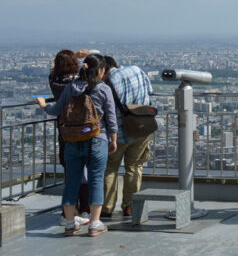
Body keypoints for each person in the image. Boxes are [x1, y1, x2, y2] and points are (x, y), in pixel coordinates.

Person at [37, 53, 117, 237]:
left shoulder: (72, 87)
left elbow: (57, 109)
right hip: (98, 138)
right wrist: (113, 140)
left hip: (72, 140)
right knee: (96, 179)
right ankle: (95, 223)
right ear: (102, 70)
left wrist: (43, 106)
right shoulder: (103, 89)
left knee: (72, 180)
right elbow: (111, 118)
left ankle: (69, 223)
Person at [101, 56, 154, 219]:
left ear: (103, 69)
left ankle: (107, 208)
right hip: (141, 127)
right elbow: (149, 91)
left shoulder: (106, 83)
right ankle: (130, 207)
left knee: (110, 169)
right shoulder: (137, 70)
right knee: (135, 167)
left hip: (118, 133)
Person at [48, 49, 89, 215]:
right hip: (83, 127)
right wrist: (82, 65)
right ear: (74, 65)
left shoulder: (54, 80)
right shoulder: (78, 81)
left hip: (64, 128)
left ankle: (71, 209)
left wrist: (73, 57)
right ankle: (86, 207)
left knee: (69, 168)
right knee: (85, 168)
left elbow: (53, 68)